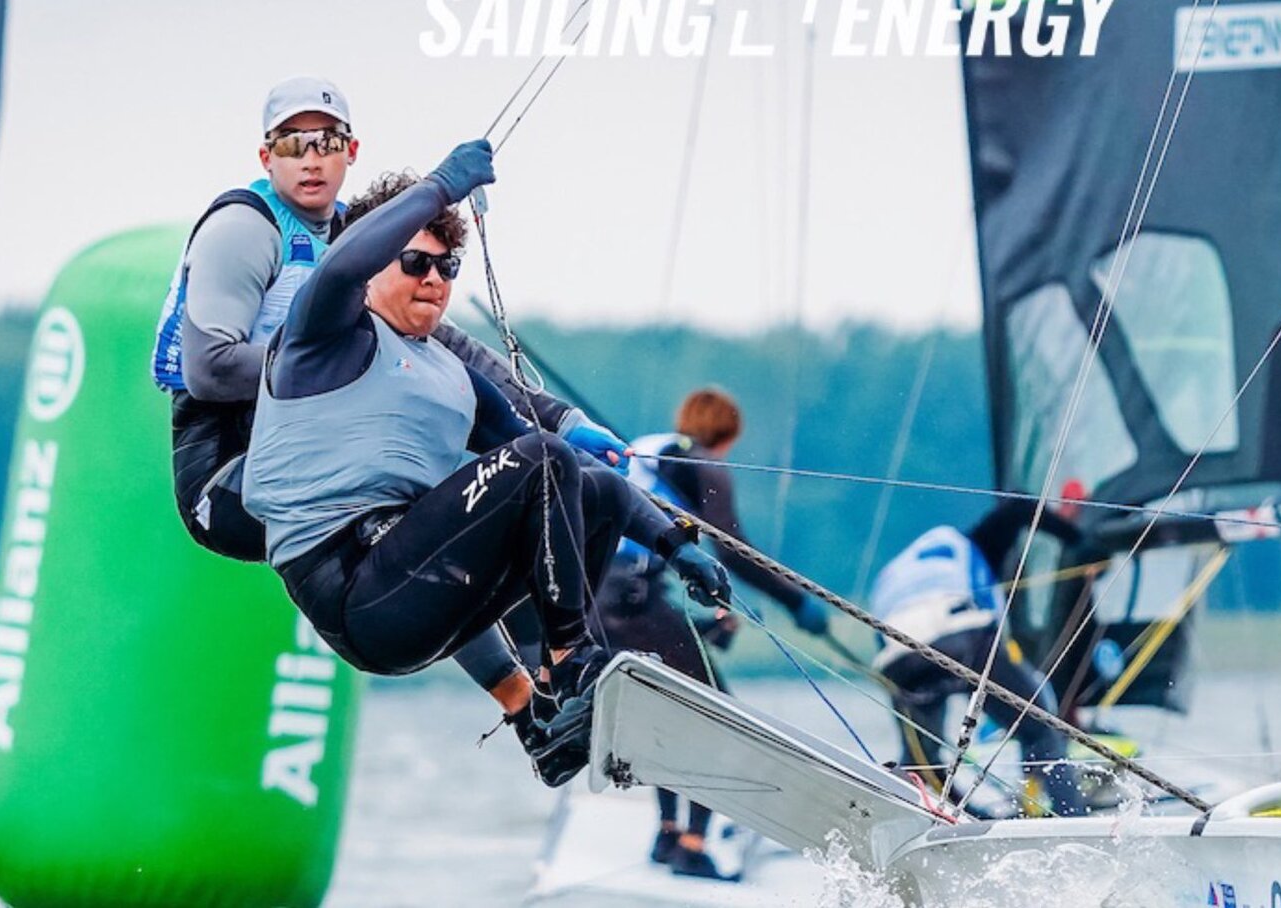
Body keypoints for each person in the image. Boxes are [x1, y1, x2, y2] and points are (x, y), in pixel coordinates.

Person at [151, 75, 625, 752]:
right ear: (266, 157)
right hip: (223, 471)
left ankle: (537, 707)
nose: (311, 159)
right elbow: (210, 368)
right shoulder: (244, 228)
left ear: (351, 152)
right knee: (423, 494)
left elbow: (455, 352)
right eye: (291, 144)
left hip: (311, 438)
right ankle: (559, 667)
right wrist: (342, 369)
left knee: (444, 506)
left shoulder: (364, 238)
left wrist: (564, 421)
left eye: (327, 143)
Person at [240, 141, 731, 784]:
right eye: (415, 262)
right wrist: (442, 185)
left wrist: (676, 544)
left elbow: (563, 473)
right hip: (352, 588)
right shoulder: (324, 331)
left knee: (591, 490)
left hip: (415, 586)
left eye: (447, 267)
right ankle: (574, 658)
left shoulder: (451, 376)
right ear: (373, 262)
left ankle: (550, 709)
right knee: (543, 458)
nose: (434, 280)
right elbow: (340, 267)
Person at [595, 386, 831, 880]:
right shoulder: (703, 464)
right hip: (634, 602)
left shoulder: (647, 447)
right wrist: (795, 602)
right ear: (727, 436)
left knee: (664, 712)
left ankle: (667, 834)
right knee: (714, 716)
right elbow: (734, 551)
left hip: (595, 603)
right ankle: (693, 845)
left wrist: (705, 624)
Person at [868, 497, 1094, 816]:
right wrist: (1080, 542)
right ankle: (1070, 818)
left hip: (898, 657)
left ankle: (954, 820)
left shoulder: (896, 571)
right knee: (1040, 729)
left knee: (921, 761)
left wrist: (979, 817)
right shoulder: (976, 543)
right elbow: (1017, 508)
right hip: (962, 635)